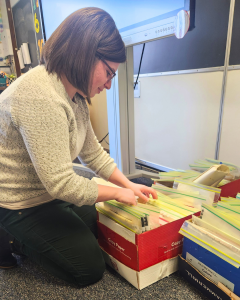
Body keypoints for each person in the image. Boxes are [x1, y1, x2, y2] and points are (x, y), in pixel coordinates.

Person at [0, 7, 157, 287]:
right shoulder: (41, 96)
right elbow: (62, 185)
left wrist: (127, 186)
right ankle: (10, 239)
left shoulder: (74, 92)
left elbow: (93, 153)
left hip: (47, 189)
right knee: (87, 268)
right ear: (84, 54)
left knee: (102, 223)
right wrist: (119, 193)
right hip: (18, 201)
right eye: (108, 73)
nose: (109, 85)